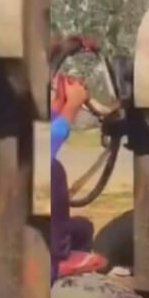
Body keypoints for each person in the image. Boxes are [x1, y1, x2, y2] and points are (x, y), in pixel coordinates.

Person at [50, 75, 105, 282]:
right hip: (45, 248)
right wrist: (72, 105)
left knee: (83, 227)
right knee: (54, 170)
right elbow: (52, 138)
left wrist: (60, 102)